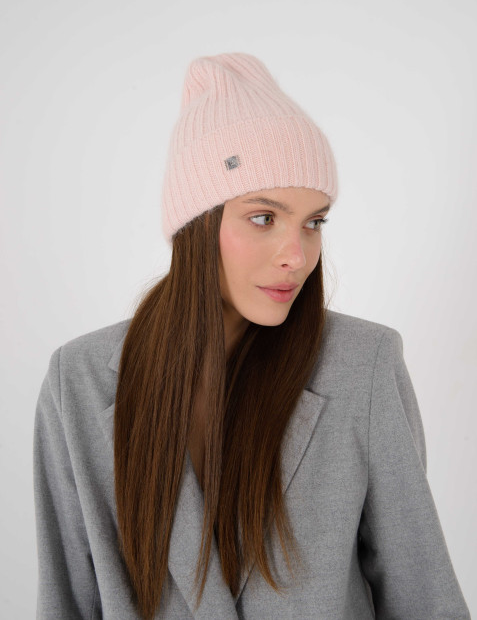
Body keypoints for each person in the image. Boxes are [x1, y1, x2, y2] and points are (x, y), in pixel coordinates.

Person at [33, 53, 471, 620]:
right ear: (197, 224)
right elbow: (65, 602)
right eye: (264, 217)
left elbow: (424, 599)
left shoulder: (365, 366)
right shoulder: (78, 381)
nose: (297, 256)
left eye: (314, 222)